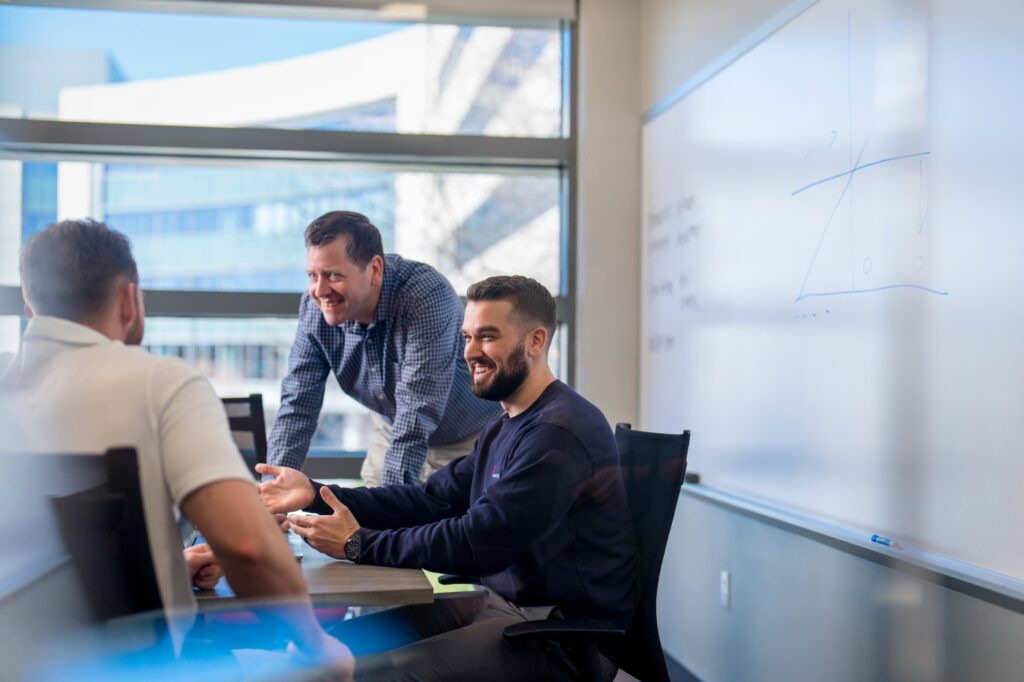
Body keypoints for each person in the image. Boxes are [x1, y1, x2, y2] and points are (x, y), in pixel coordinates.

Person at [0, 219, 349, 672]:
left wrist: (163, 567)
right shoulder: (158, 384)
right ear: (129, 300)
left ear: (31, 307)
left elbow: (41, 554)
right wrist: (316, 648)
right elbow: (246, 546)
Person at [257, 275, 637, 681]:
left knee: (374, 675)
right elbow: (429, 500)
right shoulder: (505, 423)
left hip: (559, 635)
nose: (470, 352)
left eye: (487, 337)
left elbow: (478, 541)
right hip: (502, 606)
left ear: (536, 341)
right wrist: (314, 493)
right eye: (467, 337)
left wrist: (357, 543)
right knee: (327, 651)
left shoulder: (557, 433)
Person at [267, 211, 501, 487]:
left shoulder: (424, 296)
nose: (319, 290)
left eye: (333, 275)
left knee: (440, 526)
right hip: (391, 430)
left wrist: (387, 507)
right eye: (312, 276)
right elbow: (298, 406)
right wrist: (273, 496)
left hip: (467, 441)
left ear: (375, 269)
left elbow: (417, 412)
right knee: (366, 526)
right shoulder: (314, 309)